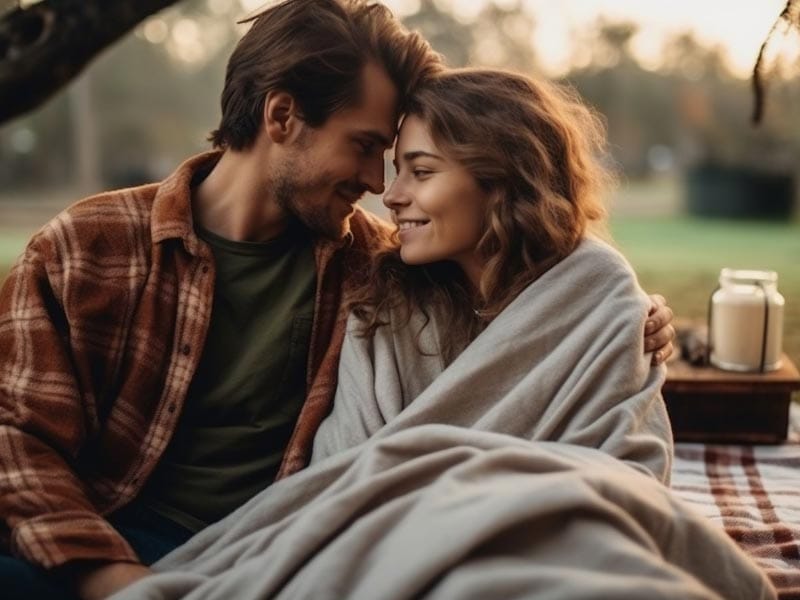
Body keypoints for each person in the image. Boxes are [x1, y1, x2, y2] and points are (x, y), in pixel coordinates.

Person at [0, 1, 673, 599]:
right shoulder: (88, 248)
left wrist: (622, 319)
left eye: (396, 159)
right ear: (282, 115)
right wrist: (111, 578)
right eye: (366, 147)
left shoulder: (376, 268)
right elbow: (15, 440)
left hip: (276, 549)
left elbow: (513, 279)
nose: (379, 182)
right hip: (99, 545)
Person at [109, 70, 771, 600]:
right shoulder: (386, 298)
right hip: (387, 540)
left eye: (420, 172)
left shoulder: (595, 294)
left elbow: (626, 478)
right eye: (394, 167)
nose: (389, 195)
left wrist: (487, 496)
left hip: (547, 538)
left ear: (503, 180)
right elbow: (346, 478)